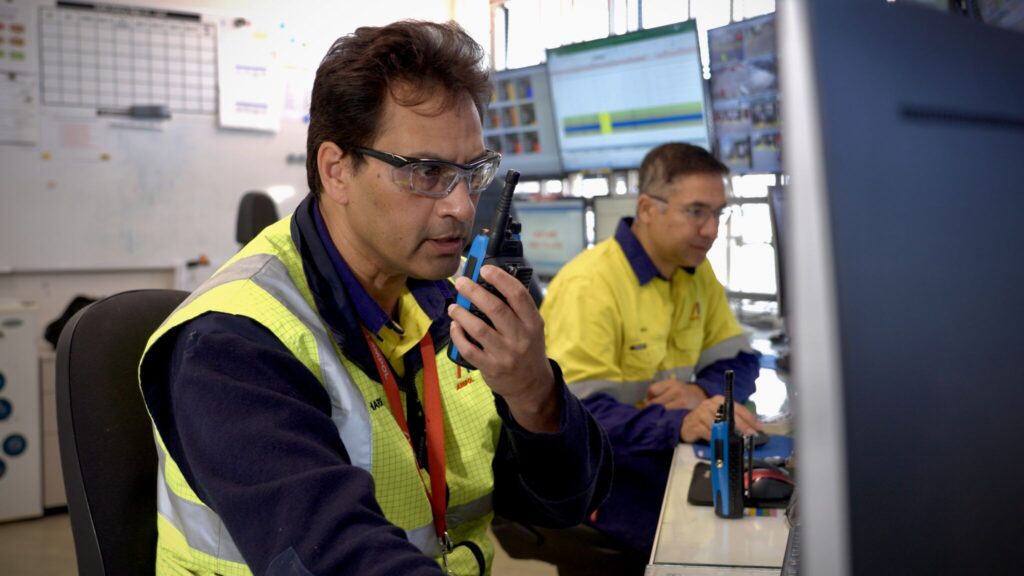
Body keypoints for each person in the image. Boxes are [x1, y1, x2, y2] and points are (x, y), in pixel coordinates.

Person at [139, 20, 612, 576]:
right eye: (428, 172)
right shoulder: (232, 343)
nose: (462, 206)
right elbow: (334, 557)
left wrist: (534, 391)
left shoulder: (448, 299)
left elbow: (561, 506)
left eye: (473, 171)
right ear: (337, 171)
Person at [539, 142, 762, 559]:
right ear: (647, 209)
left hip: (668, 464)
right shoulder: (589, 286)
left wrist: (701, 395)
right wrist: (677, 423)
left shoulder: (695, 272)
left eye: (719, 213)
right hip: (612, 485)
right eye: (696, 212)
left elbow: (741, 359)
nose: (712, 230)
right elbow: (578, 418)